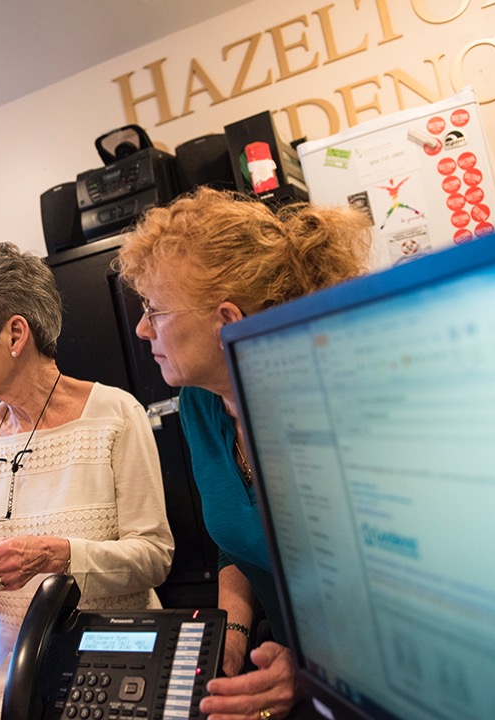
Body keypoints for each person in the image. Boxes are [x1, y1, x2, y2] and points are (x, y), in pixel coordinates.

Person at [116, 186, 371, 720]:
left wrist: (315, 662)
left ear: (228, 322)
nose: (141, 329)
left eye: (155, 311)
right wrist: (229, 631)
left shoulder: (339, 413)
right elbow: (239, 541)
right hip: (286, 677)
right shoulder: (201, 407)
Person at [0, 242, 174, 666]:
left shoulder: (115, 415)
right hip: (24, 672)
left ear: (15, 334)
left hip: (119, 664)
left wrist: (58, 556)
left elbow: (153, 557)